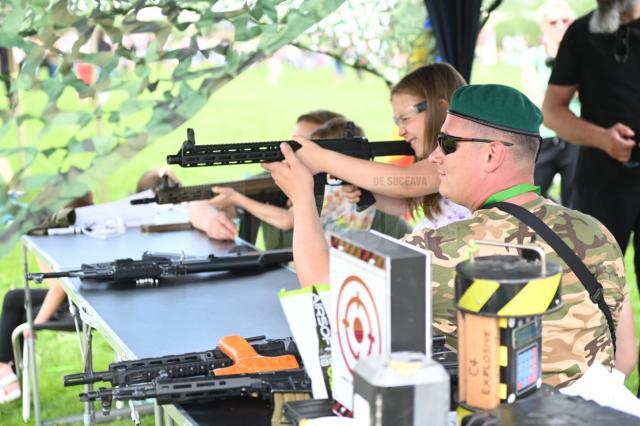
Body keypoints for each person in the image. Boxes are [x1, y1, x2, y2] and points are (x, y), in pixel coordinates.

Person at [265, 84, 636, 387]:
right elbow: (625, 358)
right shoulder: (596, 231)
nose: (436, 157)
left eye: (448, 145)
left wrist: (301, 198)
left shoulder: (449, 250)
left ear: (492, 156)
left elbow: (323, 286)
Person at [542, 0, 640, 375]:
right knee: (593, 291)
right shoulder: (582, 33)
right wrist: (602, 139)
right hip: (601, 183)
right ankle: (593, 387)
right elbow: (553, 111)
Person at [287, 63, 469, 230]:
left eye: (405, 119)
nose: (401, 131)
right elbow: (402, 203)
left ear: (441, 108)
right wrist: (363, 187)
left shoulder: (457, 155)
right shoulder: (437, 167)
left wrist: (325, 160)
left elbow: (404, 183)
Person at [188, 110, 344, 244]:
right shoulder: (278, 175)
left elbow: (287, 220)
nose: (292, 148)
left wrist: (237, 199)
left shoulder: (335, 185)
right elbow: (203, 201)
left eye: (304, 143)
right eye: (293, 141)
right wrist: (209, 220)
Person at [0, 192, 94, 403]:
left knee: (18, 307)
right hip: (77, 293)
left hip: (82, 303)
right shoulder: (78, 225)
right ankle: (7, 370)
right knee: (14, 299)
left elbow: (59, 287)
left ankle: (6, 371)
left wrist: (36, 326)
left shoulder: (67, 233)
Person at [523, 0, 579, 206]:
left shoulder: (582, 56)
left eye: (565, 20)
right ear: (543, 25)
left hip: (576, 138)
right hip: (544, 137)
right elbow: (537, 99)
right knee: (531, 196)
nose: (560, 26)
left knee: (575, 201)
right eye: (553, 22)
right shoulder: (532, 57)